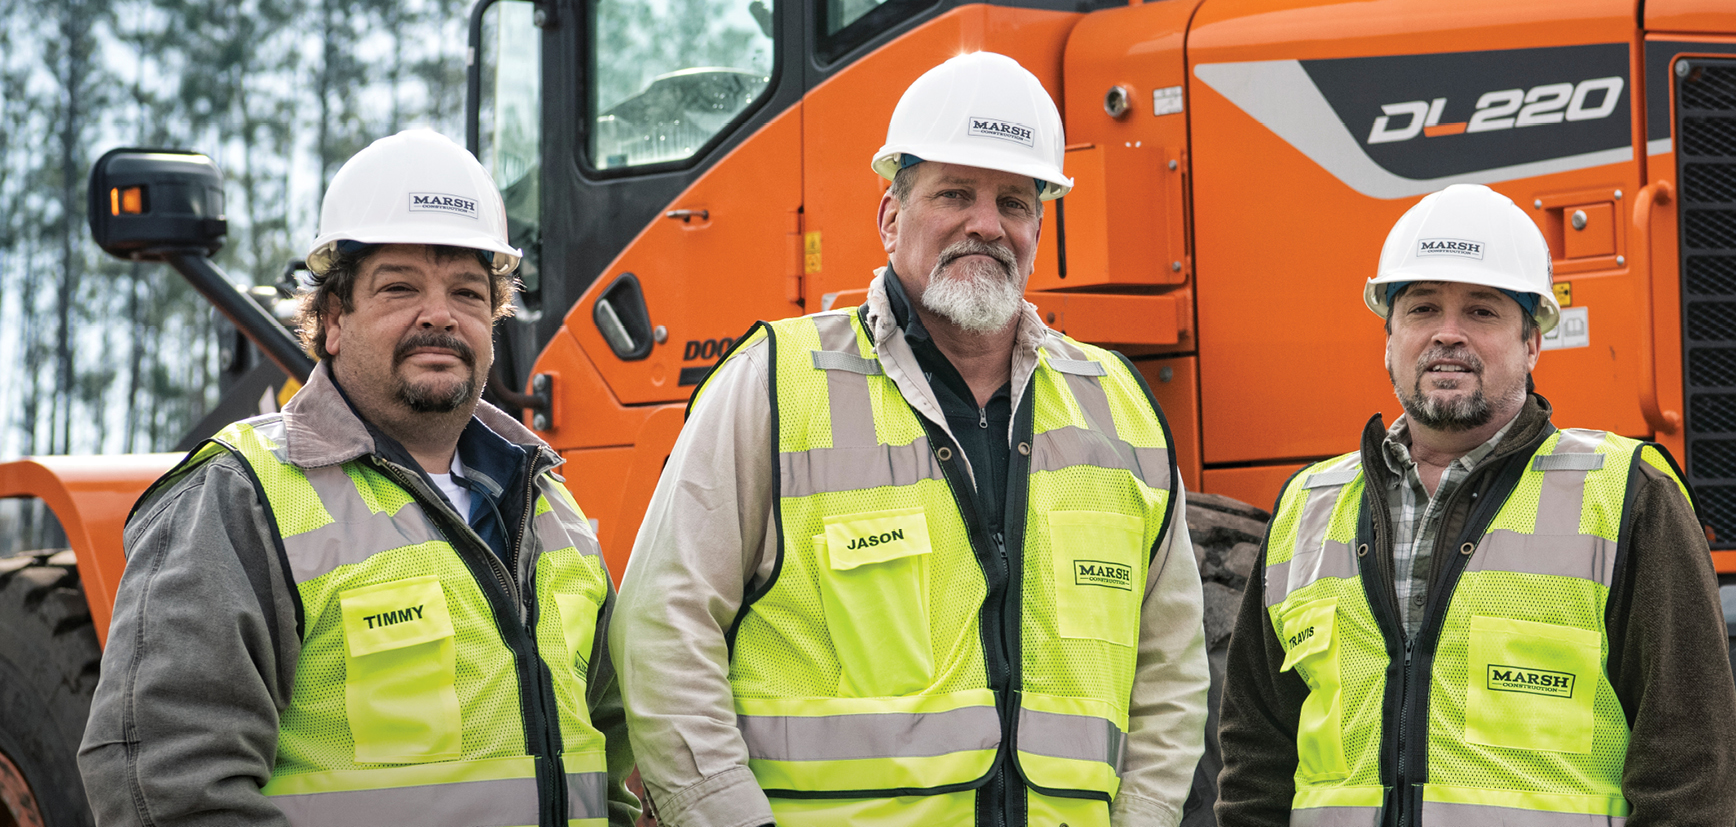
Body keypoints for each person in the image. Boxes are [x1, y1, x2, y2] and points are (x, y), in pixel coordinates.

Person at [606, 51, 1209, 827]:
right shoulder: (774, 385)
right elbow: (663, 629)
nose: (985, 224)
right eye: (954, 193)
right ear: (890, 217)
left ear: (1037, 226)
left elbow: (1170, 671)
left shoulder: (1119, 408)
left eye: (1014, 202)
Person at [79, 129, 637, 827]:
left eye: (467, 292)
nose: (439, 313)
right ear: (333, 319)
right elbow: (168, 789)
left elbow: (612, 758)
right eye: (400, 287)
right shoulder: (238, 498)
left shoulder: (550, 505)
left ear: (491, 323)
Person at [1215, 183, 1736, 827]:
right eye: (1422, 309)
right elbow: (1256, 759)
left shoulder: (1627, 496)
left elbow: (1691, 764)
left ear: (1532, 341)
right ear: (1389, 337)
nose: (1447, 335)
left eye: (1482, 312)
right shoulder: (1307, 507)